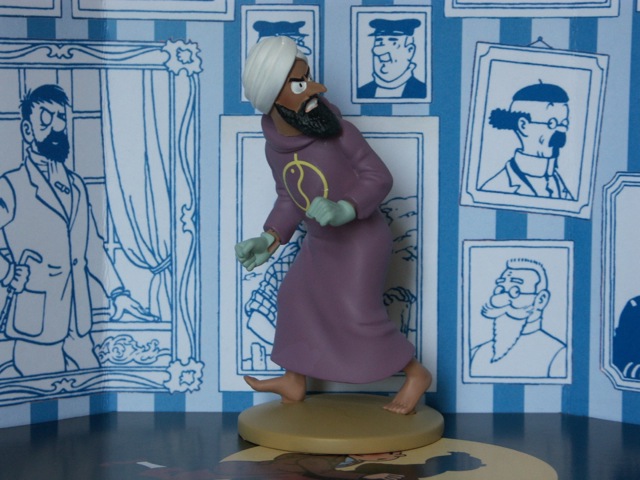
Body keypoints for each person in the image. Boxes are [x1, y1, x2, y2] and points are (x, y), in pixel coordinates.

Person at [236, 36, 431, 414]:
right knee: (294, 298)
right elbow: (288, 196)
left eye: (308, 77)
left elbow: (379, 177)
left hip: (361, 241)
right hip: (320, 242)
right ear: (273, 96)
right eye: (299, 84)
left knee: (356, 313)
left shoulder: (340, 132)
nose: (316, 88)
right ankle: (294, 380)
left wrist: (346, 207)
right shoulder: (275, 148)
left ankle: (415, 374)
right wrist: (268, 238)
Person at [0, 84, 155, 377]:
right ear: (27, 130)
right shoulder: (10, 186)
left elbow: (93, 245)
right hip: (37, 324)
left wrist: (118, 293)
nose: (56, 127)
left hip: (79, 320)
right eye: (45, 119)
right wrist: (7, 272)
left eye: (60, 118)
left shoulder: (76, 186)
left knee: (89, 376)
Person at [470, 258, 567, 378]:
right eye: (500, 290)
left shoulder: (558, 354)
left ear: (540, 300)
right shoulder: (477, 353)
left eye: (515, 291)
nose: (503, 299)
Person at [480, 82, 573, 199]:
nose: (561, 130)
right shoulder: (495, 189)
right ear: (523, 126)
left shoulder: (560, 184)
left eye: (564, 124)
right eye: (551, 124)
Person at [357, 18, 426, 100]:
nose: (381, 50)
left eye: (393, 42)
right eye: (379, 41)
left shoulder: (422, 91)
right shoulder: (362, 92)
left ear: (410, 50)